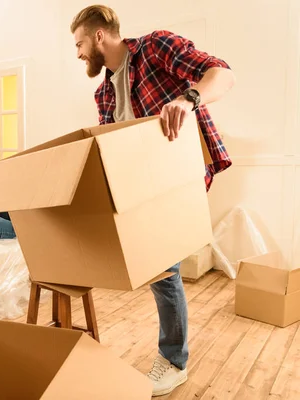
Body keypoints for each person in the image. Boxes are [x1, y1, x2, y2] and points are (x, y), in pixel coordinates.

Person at [70, 5, 235, 397]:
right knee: (160, 270)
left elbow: (223, 74)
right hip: (141, 187)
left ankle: (174, 360)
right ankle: (173, 356)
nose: (77, 54)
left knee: (165, 269)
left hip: (181, 179)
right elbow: (113, 146)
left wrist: (188, 99)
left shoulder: (155, 47)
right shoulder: (104, 92)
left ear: (98, 37)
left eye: (78, 44)